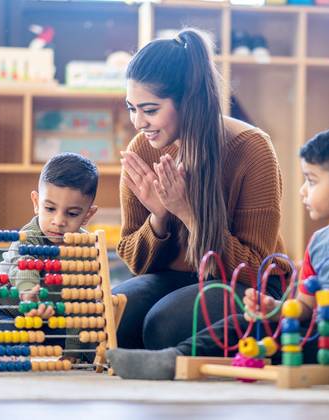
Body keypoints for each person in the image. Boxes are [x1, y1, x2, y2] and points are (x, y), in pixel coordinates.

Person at [108, 125, 329, 394]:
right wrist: (275, 308)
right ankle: (175, 358)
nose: (302, 191)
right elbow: (305, 305)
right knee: (247, 324)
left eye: (311, 181)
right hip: (316, 337)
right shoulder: (321, 241)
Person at [113, 27, 287, 351]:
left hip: (246, 285)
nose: (138, 122)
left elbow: (255, 269)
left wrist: (189, 214)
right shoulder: (143, 148)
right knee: (113, 316)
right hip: (178, 279)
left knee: (163, 328)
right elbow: (136, 264)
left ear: (188, 101)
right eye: (131, 108)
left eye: (150, 110)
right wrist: (160, 219)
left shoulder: (251, 148)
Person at [0, 152, 98, 352]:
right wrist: (28, 293)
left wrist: (74, 351)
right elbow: (23, 263)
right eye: (50, 209)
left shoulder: (86, 249)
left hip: (50, 319)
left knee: (86, 334)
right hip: (10, 312)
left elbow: (80, 303)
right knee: (7, 334)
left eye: (72, 213)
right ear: (36, 203)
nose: (58, 221)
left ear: (87, 215)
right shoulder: (29, 235)